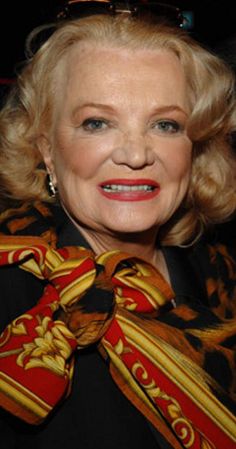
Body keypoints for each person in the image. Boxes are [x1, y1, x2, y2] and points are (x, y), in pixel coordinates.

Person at [0, 2, 235, 448]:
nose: (135, 154)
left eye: (165, 124)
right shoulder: (11, 293)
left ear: (196, 145)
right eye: (97, 122)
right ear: (47, 149)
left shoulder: (218, 276)